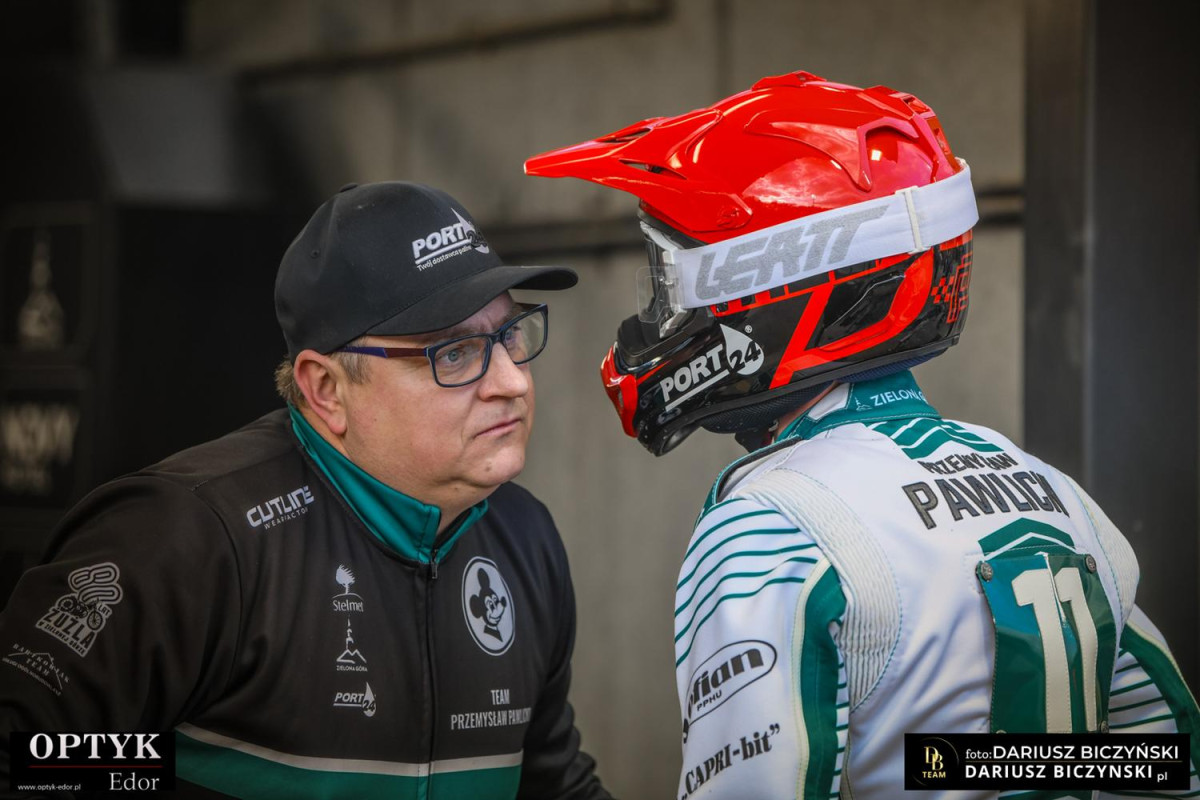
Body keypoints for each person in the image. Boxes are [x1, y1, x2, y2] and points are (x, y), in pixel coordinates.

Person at [525, 71, 1200, 797]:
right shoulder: (1056, 494)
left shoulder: (773, 523)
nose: (656, 317)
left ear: (770, 289)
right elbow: (1163, 766)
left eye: (669, 285)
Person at [0, 181, 612, 799]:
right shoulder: (189, 538)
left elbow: (550, 788)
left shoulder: (523, 537)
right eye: (454, 353)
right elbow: (26, 761)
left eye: (510, 335)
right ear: (326, 389)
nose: (512, 381)